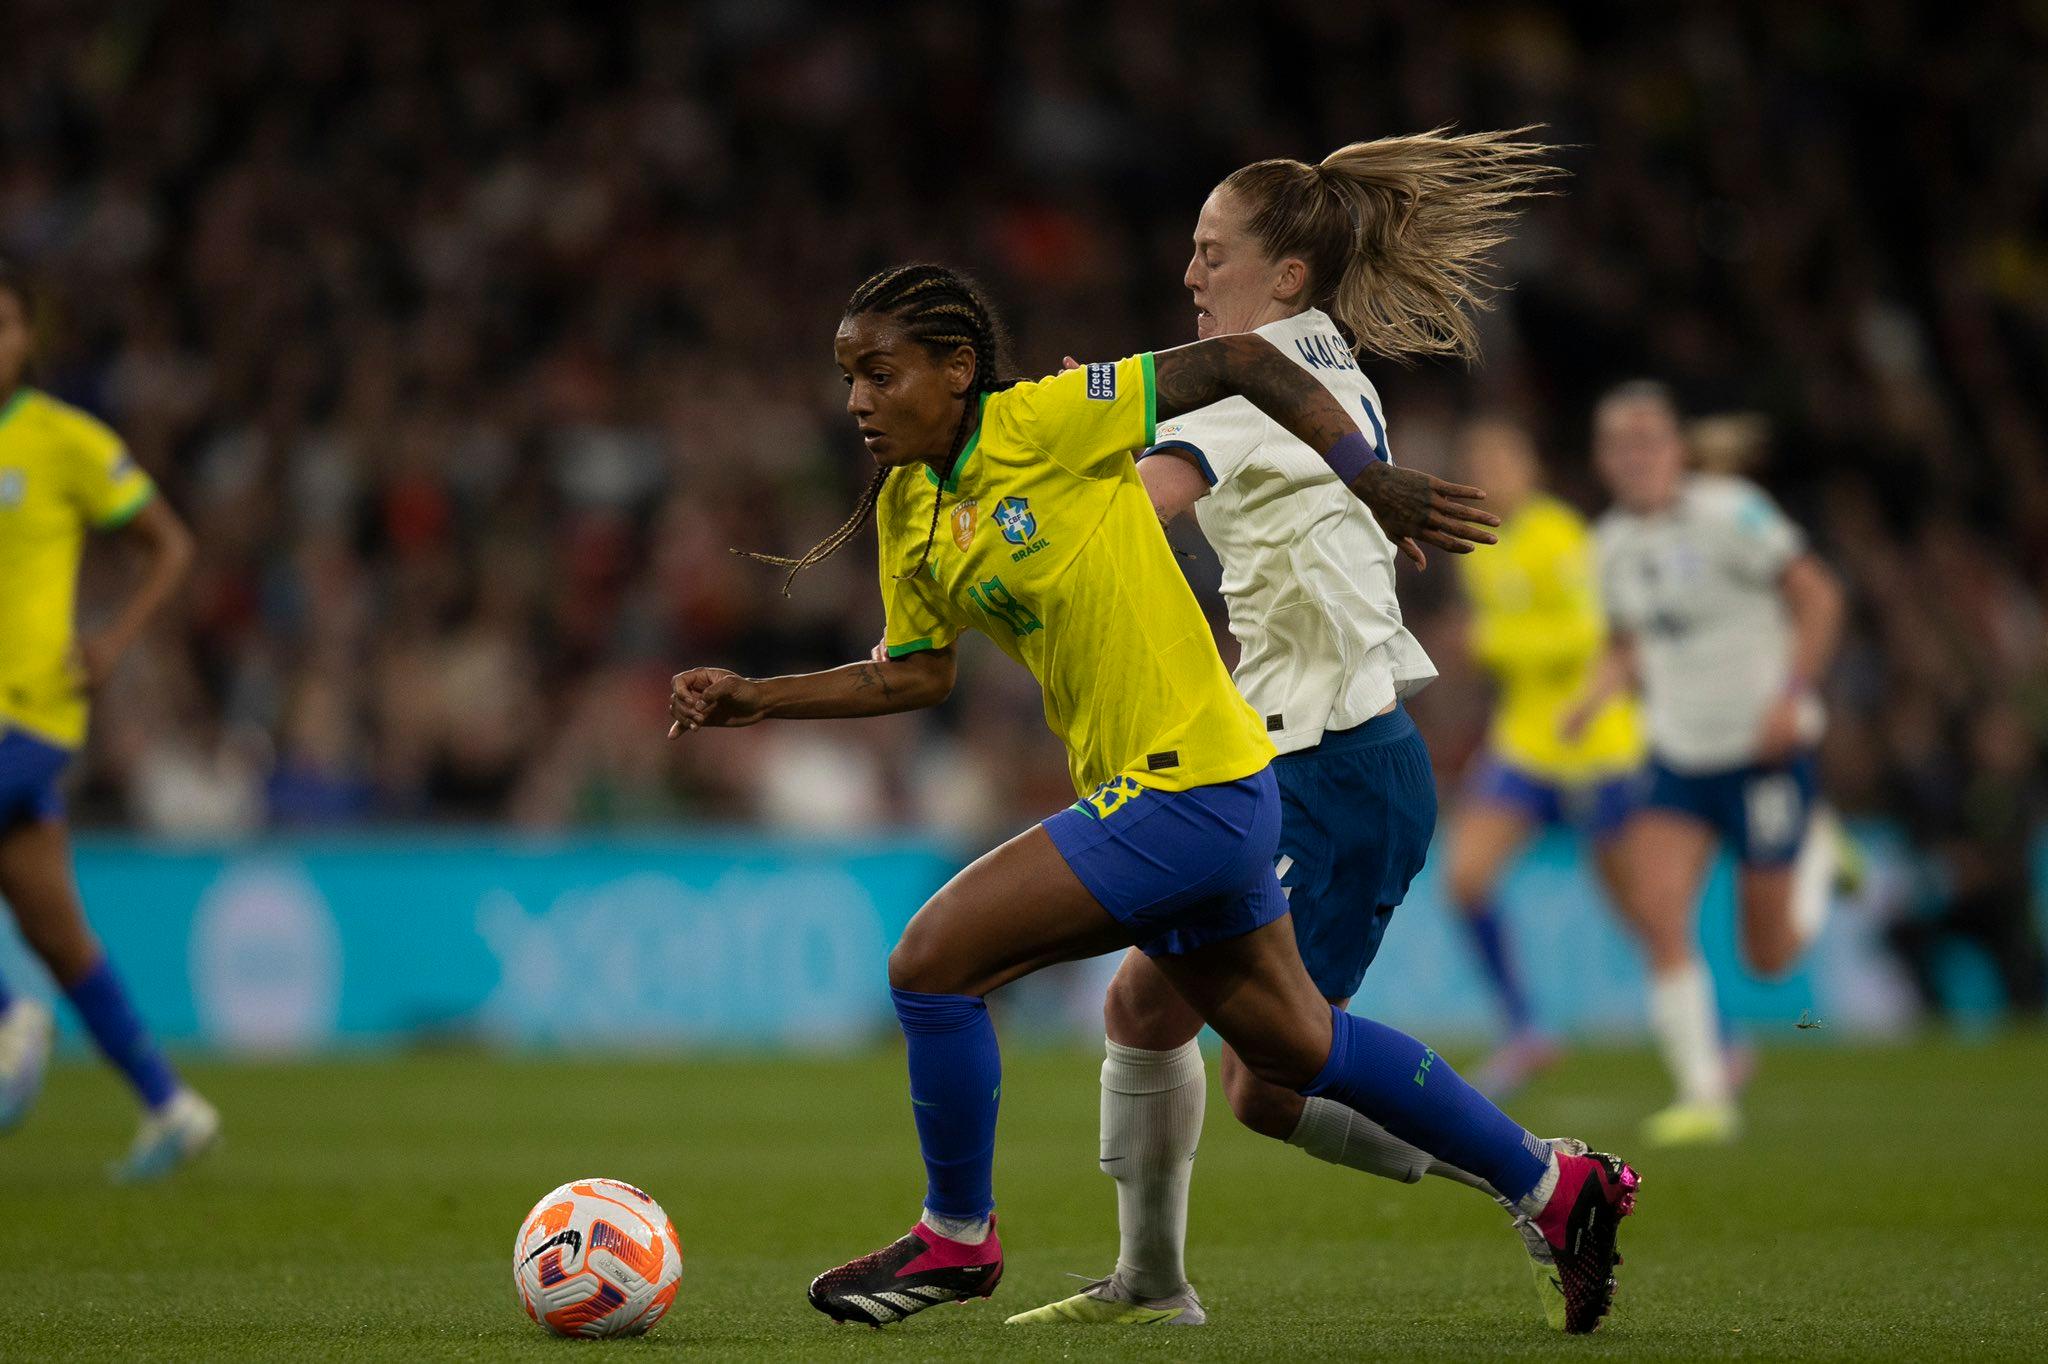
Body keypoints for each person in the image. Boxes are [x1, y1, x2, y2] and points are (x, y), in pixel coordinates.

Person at [670, 256, 1640, 1336]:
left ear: (956, 369)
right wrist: (759, 697)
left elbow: (1235, 359)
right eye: (847, 376)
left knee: (931, 962)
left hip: (1190, 785)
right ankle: (1556, 1186)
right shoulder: (909, 507)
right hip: (1193, 792)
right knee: (1296, 1049)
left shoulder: (1045, 419)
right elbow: (915, 671)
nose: (856, 399)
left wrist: (1361, 471)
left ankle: (958, 1234)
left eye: (880, 373)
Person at [1002, 133, 1621, 1335]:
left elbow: (1139, 509)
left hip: (1329, 766)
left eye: (1211, 252)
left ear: (1284, 275)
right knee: (1154, 1018)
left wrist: (1021, 517)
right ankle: (1151, 1280)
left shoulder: (1251, 374)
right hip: (1303, 755)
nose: (1189, 272)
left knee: (1272, 1076)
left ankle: (1550, 1180)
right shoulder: (1317, 357)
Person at [1566, 380, 1844, 1145]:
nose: (1636, 456)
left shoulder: (1733, 513)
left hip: (1764, 754)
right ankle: (1704, 1093)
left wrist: (1792, 696)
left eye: (1649, 439)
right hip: (1681, 755)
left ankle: (1818, 849)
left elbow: (1818, 597)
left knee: (1769, 958)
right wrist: (1593, 697)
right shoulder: (1610, 546)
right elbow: (1629, 643)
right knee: (1658, 911)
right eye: (1620, 443)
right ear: (1602, 459)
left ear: (1677, 449)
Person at [0, 260, 220, 1179]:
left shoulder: (62, 440)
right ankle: (171, 1107)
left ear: (28, 338)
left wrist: (114, 640)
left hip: (29, 711)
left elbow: (170, 544)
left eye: (3, 322)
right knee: (53, 925)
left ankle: (9, 1017)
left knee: (44, 945)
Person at [1444, 419, 1646, 1098]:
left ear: (1530, 465)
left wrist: (1497, 642)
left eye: (1502, 455)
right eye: (1480, 460)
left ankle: (1712, 1032)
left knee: (1639, 904)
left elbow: (1589, 634)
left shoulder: (1561, 534)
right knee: (1465, 876)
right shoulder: (1477, 545)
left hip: (1593, 741)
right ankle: (1525, 1028)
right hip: (1526, 742)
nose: (1491, 471)